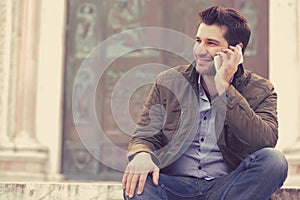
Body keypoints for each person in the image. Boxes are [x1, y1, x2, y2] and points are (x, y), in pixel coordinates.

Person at [122, 6, 288, 200]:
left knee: (274, 161)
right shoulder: (169, 82)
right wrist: (142, 154)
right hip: (175, 186)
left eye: (211, 43)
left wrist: (224, 90)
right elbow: (144, 135)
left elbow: (264, 141)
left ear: (236, 51)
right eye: (198, 41)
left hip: (227, 188)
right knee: (138, 181)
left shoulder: (261, 90)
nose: (200, 50)